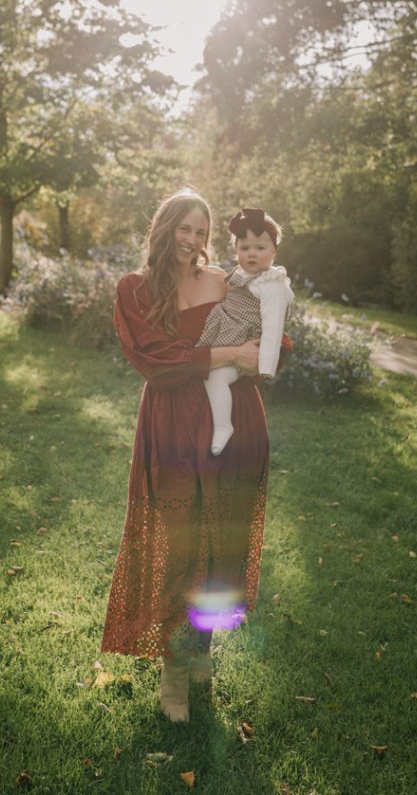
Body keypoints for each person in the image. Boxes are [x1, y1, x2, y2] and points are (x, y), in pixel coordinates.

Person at [101, 188, 288, 724]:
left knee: (219, 541)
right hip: (174, 425)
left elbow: (271, 341)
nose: (192, 240)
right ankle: (174, 675)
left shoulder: (225, 281)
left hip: (235, 422)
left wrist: (259, 357)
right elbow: (158, 363)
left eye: (201, 232)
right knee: (178, 544)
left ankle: (201, 652)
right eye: (184, 228)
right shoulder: (135, 289)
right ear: (163, 229)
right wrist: (229, 353)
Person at [196, 206, 293, 454]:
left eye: (260, 248)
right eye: (244, 248)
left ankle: (223, 426)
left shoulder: (272, 285)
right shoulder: (240, 274)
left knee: (216, 377)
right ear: (236, 250)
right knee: (201, 368)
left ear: (274, 251)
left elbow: (273, 328)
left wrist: (265, 368)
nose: (252, 254)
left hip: (244, 340)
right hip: (225, 333)